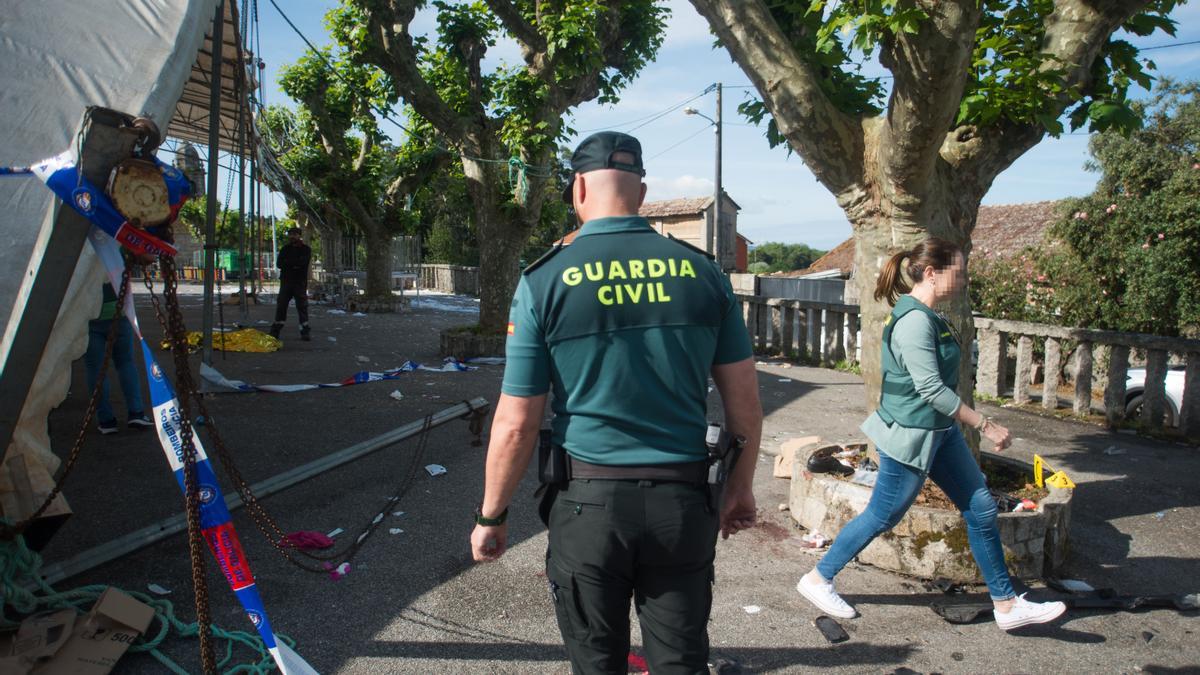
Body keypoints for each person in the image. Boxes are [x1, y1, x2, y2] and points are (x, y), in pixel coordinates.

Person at [469, 131, 763, 673]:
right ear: (643, 191)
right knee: (681, 660)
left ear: (578, 188)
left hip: (589, 506)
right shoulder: (704, 274)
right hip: (682, 500)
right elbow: (744, 407)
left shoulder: (544, 280)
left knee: (597, 661)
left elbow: (516, 423)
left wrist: (493, 515)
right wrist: (739, 489)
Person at [795, 238, 1066, 631]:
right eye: (959, 271)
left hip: (940, 433)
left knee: (981, 508)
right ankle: (818, 578)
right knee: (883, 515)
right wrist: (986, 425)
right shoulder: (914, 322)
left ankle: (1007, 606)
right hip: (911, 436)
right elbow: (932, 391)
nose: (965, 278)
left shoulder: (931, 315)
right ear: (932, 273)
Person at [84, 281, 153, 435]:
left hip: (90, 314)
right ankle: (136, 412)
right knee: (125, 362)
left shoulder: (82, 256)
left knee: (95, 368)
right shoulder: (118, 255)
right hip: (118, 310)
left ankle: (106, 420)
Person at [270, 226, 311, 341]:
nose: (292, 236)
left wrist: (289, 263)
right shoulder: (285, 249)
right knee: (281, 305)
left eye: (295, 234)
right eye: (290, 234)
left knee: (302, 306)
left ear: (299, 235)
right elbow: (279, 264)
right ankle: (276, 329)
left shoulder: (306, 249)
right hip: (286, 282)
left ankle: (305, 330)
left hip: (299, 282)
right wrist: (294, 264)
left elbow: (302, 263)